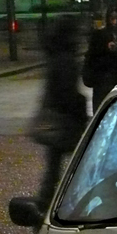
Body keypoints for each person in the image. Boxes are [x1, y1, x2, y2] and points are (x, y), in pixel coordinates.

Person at [34, 14, 88, 208]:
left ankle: (45, 202)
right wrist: (80, 107)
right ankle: (55, 203)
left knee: (54, 167)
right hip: (65, 120)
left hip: (58, 117)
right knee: (82, 161)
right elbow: (66, 93)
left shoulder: (56, 54)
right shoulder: (65, 59)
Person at [82, 3, 117, 109]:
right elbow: (91, 59)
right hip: (102, 84)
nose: (115, 22)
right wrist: (105, 49)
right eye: (112, 18)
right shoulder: (98, 36)